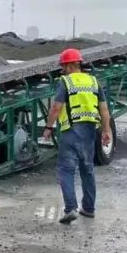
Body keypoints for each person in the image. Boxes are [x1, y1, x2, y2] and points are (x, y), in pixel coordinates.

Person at [41, 48, 113, 224]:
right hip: (89, 131)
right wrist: (106, 130)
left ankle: (70, 208)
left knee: (66, 170)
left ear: (69, 65)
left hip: (70, 131)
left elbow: (56, 108)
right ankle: (88, 209)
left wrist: (48, 127)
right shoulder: (93, 82)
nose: (62, 70)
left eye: (63, 66)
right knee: (87, 169)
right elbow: (104, 110)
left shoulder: (65, 82)